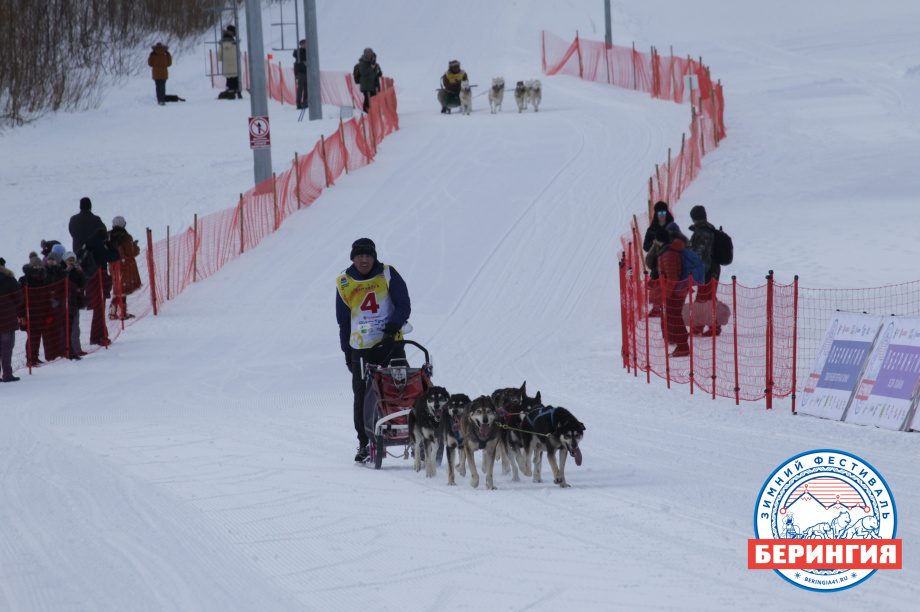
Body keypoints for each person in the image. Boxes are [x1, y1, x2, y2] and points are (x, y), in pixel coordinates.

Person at [336, 238, 411, 462]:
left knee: (402, 388)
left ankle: (411, 431)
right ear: (353, 258)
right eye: (360, 256)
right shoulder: (344, 281)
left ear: (374, 256)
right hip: (361, 348)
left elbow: (403, 304)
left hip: (390, 343)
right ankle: (364, 442)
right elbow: (343, 321)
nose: (365, 260)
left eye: (369, 255)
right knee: (362, 396)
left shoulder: (387, 274)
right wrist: (346, 353)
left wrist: (391, 328)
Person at [81, 228, 120, 347]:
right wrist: (109, 244)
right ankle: (99, 336)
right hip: (98, 278)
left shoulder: (88, 243)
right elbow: (115, 256)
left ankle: (99, 335)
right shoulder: (99, 247)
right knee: (100, 308)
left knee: (98, 308)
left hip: (90, 279)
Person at [656, 228, 690, 358]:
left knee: (674, 318)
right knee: (674, 317)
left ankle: (682, 346)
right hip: (677, 290)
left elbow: (672, 277)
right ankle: (681, 344)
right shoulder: (668, 251)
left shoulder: (668, 253)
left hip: (675, 291)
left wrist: (667, 293)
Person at [687, 205, 721, 336]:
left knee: (703, 298)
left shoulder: (702, 232)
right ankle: (709, 326)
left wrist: (698, 272)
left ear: (694, 218)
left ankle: (707, 326)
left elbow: (701, 254)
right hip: (713, 267)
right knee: (707, 297)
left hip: (707, 269)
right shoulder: (709, 229)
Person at [642, 201, 675, 317]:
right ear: (656, 214)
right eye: (659, 212)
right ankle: (657, 307)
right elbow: (645, 246)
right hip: (656, 261)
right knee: (656, 283)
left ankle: (671, 306)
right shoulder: (651, 230)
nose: (662, 214)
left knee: (671, 282)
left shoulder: (672, 227)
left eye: (664, 212)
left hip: (671, 259)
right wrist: (654, 244)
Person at [20, 252, 52, 366]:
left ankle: (35, 356)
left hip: (42, 310)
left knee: (38, 334)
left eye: (39, 266)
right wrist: (22, 314)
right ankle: (30, 358)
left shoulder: (44, 279)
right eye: (35, 266)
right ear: (31, 266)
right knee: (32, 335)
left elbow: (48, 296)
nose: (38, 268)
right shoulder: (25, 280)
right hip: (30, 312)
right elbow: (20, 299)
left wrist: (49, 312)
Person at [0, 257, 24, 382]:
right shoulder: (10, 280)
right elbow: (19, 299)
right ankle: (7, 374)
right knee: (7, 348)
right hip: (7, 320)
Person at [62, 251, 87, 360]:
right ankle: (67, 350)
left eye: (73, 260)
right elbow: (60, 281)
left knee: (73, 327)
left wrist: (81, 272)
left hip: (74, 302)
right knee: (66, 327)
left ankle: (72, 350)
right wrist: (66, 272)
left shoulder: (77, 271)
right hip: (64, 302)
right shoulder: (62, 270)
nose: (71, 263)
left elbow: (83, 284)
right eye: (69, 261)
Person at [355, 47, 382, 113]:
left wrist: (378, 71)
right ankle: (366, 113)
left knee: (373, 99)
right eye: (368, 54)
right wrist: (371, 68)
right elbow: (363, 72)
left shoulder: (373, 62)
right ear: (365, 54)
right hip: (366, 86)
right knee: (367, 99)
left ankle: (372, 112)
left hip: (373, 85)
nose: (369, 55)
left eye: (370, 53)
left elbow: (377, 73)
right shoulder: (363, 62)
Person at [218, 26, 242, 99]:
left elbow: (219, 58)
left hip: (226, 67)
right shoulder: (234, 44)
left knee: (229, 79)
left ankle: (230, 92)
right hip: (235, 65)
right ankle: (238, 92)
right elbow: (239, 54)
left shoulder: (221, 45)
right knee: (235, 78)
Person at [293, 39, 308, 110]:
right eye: (303, 44)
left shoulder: (308, 52)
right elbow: (295, 54)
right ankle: (299, 104)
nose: (304, 45)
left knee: (307, 88)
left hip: (307, 72)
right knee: (300, 88)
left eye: (305, 44)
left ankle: (305, 103)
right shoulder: (298, 52)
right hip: (301, 72)